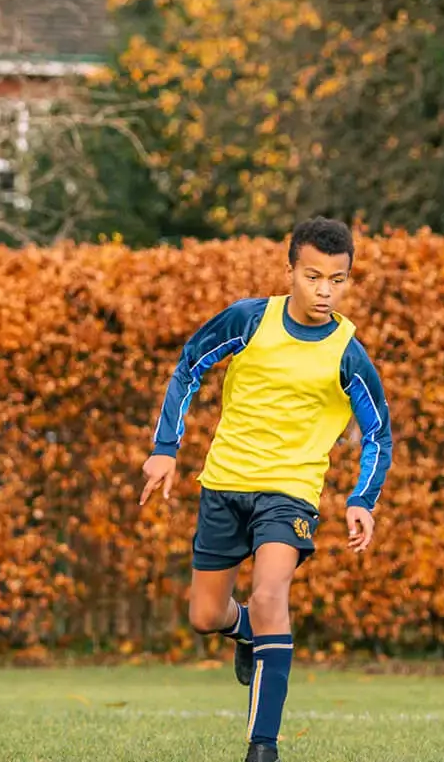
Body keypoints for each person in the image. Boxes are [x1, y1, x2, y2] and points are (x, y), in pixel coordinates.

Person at [138, 217, 395, 762]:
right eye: (313, 277)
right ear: (290, 273)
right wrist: (166, 447)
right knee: (206, 617)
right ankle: (246, 631)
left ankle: (264, 746)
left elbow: (378, 433)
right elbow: (189, 365)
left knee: (271, 593)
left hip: (290, 494)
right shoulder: (249, 320)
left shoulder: (349, 353)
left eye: (338, 279)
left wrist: (361, 501)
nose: (325, 291)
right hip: (224, 485)